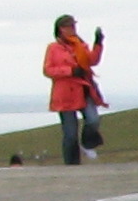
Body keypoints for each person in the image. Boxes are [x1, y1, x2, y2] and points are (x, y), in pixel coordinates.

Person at [43, 15, 106, 165]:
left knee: (93, 120)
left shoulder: (80, 45)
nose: (73, 29)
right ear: (61, 29)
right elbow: (48, 70)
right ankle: (72, 165)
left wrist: (98, 43)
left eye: (74, 26)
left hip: (83, 90)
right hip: (64, 94)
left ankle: (87, 143)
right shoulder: (53, 48)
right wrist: (70, 71)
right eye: (69, 26)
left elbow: (92, 61)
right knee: (70, 134)